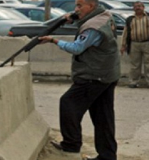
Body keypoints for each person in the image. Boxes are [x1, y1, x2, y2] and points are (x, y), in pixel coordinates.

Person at [38, 0, 120, 160]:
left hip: (94, 75)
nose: (76, 9)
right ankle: (107, 156)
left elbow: (77, 48)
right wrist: (75, 17)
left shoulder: (93, 27)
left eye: (79, 6)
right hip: (108, 73)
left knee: (68, 103)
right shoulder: (104, 15)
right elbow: (87, 24)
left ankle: (71, 145)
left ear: (90, 6)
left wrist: (54, 41)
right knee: (103, 117)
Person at [120, 1, 149, 88]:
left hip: (147, 43)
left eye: (139, 6)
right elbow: (125, 33)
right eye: (136, 6)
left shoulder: (148, 17)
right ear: (133, 8)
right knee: (135, 65)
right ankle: (133, 82)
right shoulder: (130, 19)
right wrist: (123, 45)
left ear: (143, 7)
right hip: (134, 44)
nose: (137, 8)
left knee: (148, 64)